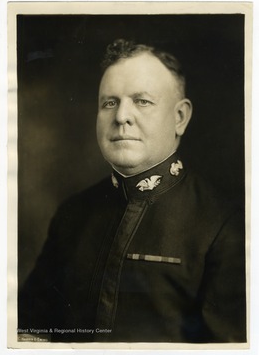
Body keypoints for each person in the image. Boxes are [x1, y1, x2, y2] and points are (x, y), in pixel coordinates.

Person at [18, 39, 246, 343]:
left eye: (142, 101)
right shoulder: (72, 215)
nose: (121, 116)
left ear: (180, 118)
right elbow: (28, 333)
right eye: (109, 102)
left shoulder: (226, 225)